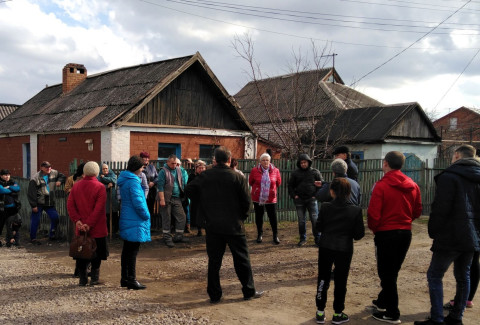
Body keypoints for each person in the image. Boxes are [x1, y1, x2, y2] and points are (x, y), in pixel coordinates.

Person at [186, 146, 263, 303]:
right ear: (229, 160)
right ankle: (248, 291)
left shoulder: (205, 176)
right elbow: (247, 203)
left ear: (215, 160)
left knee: (214, 262)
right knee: (242, 260)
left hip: (213, 225)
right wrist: (241, 217)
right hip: (234, 225)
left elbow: (188, 191)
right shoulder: (237, 177)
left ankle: (215, 295)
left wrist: (204, 206)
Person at [414, 144, 480, 325]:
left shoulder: (449, 176)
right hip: (472, 235)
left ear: (457, 155)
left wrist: (433, 230)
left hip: (450, 235)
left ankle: (437, 319)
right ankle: (457, 317)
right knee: (463, 275)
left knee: (435, 275)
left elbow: (440, 208)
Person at [368, 151, 422, 324]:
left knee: (386, 273)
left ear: (385, 164)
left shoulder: (381, 186)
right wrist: (405, 221)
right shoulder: (413, 185)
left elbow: (373, 213)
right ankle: (384, 300)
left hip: (386, 233)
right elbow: (417, 210)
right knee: (393, 270)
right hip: (405, 232)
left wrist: (376, 229)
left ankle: (392, 312)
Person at [314, 178, 365, 324]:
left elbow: (319, 227)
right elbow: (359, 235)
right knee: (341, 281)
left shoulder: (325, 207)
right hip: (344, 249)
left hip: (326, 247)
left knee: (323, 279)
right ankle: (338, 313)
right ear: (349, 192)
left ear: (332, 191)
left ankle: (320, 312)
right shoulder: (355, 210)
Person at [67, 161, 108, 286]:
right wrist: (89, 224)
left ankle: (82, 278)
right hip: (97, 227)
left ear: (84, 172)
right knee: (97, 253)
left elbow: (70, 205)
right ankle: (94, 278)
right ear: (97, 172)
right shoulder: (100, 187)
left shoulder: (76, 186)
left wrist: (78, 221)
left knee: (81, 251)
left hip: (80, 227)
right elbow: (98, 209)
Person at [117, 155, 151, 290]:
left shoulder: (125, 180)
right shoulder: (133, 182)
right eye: (142, 167)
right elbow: (138, 202)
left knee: (126, 250)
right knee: (132, 251)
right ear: (137, 167)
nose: (143, 169)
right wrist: (146, 215)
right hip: (135, 219)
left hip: (127, 217)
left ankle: (124, 278)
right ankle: (131, 279)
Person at [288, 153, 323, 247]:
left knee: (315, 220)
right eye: (301, 162)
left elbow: (321, 185)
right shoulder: (295, 173)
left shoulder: (315, 172)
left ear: (309, 162)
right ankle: (302, 239)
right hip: (299, 200)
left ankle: (318, 239)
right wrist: (294, 196)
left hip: (312, 199)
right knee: (301, 221)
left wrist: (316, 196)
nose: (303, 164)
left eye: (305, 162)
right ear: (299, 163)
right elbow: (290, 186)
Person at [27, 161, 66, 244]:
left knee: (55, 217)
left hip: (50, 202)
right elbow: (31, 193)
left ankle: (52, 234)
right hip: (39, 202)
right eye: (46, 167)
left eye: (49, 167)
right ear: (41, 168)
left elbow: (63, 176)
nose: (48, 169)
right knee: (35, 220)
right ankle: (33, 238)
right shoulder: (35, 178)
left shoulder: (54, 173)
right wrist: (33, 205)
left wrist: (59, 181)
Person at [248, 152, 282, 244]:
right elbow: (251, 182)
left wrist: (270, 190)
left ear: (270, 161)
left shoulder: (276, 170)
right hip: (258, 197)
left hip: (271, 198)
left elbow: (278, 183)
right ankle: (259, 235)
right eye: (263, 160)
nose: (265, 162)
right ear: (260, 161)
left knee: (273, 217)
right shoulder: (254, 170)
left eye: (267, 160)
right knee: (259, 216)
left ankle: (275, 235)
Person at [157, 154, 189, 248]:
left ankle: (178, 236)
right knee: (167, 219)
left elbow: (184, 179)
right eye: (172, 163)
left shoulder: (179, 170)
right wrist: (162, 199)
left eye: (175, 163)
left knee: (182, 217)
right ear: (167, 162)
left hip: (177, 198)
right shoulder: (163, 171)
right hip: (166, 198)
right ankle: (167, 238)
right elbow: (160, 186)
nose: (174, 165)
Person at [0, 169, 21, 247]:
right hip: (1, 208)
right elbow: (2, 190)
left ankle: (11, 240)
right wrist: (11, 190)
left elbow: (17, 188)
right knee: (1, 224)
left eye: (8, 175)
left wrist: (9, 187)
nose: (7, 176)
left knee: (15, 223)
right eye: (5, 175)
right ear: (1, 176)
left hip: (12, 208)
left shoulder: (12, 182)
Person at [187, 159, 207, 236]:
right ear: (196, 169)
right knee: (197, 214)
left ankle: (205, 228)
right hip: (196, 199)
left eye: (203, 168)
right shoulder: (192, 176)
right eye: (200, 168)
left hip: (205, 199)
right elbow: (189, 187)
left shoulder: (207, 176)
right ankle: (199, 230)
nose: (201, 169)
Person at [97, 164, 119, 235]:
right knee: (106, 215)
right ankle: (108, 230)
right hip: (105, 199)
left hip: (112, 198)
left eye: (106, 168)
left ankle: (115, 230)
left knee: (114, 214)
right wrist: (107, 186)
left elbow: (114, 180)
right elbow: (98, 185)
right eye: (103, 169)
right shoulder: (98, 176)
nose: (105, 170)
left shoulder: (111, 174)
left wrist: (104, 178)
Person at [140, 152, 158, 219]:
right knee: (143, 208)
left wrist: (153, 183)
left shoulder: (152, 167)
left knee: (150, 209)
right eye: (145, 157)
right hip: (143, 191)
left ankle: (149, 225)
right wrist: (146, 184)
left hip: (152, 191)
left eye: (148, 158)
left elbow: (157, 177)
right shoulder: (139, 167)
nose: (147, 159)